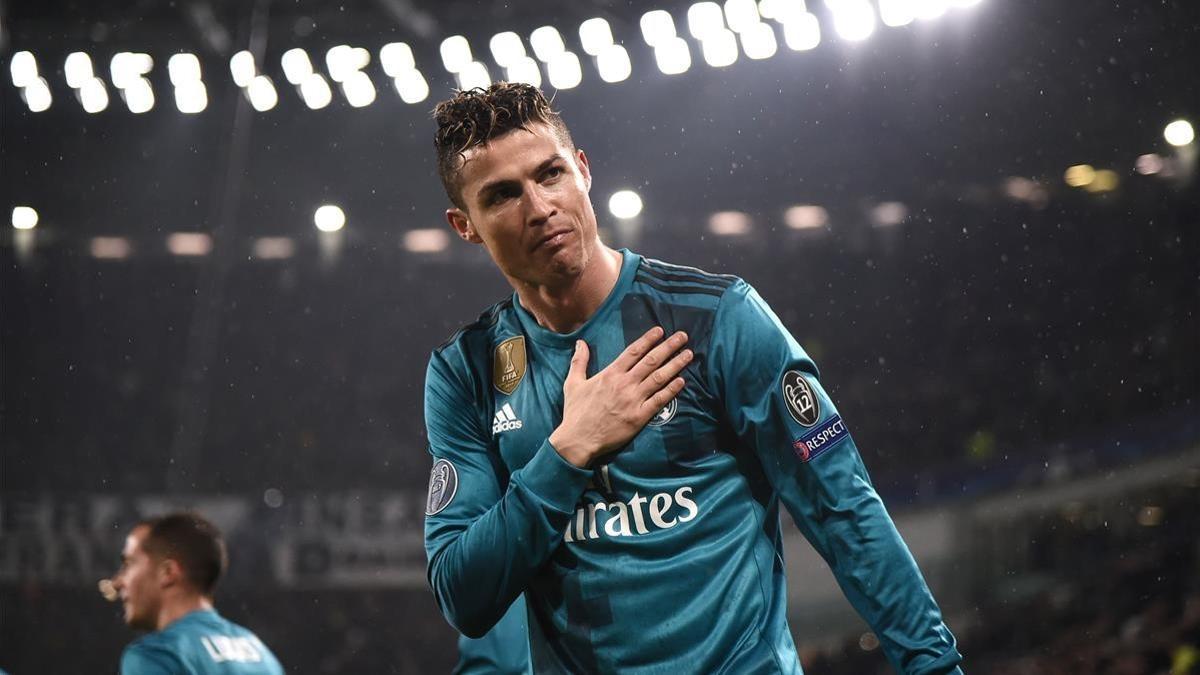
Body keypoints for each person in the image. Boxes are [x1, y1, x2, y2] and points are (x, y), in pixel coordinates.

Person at [423, 82, 962, 674]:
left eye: (549, 174)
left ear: (582, 170)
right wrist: (567, 451)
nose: (539, 207)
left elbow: (844, 512)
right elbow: (463, 595)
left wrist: (935, 666)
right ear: (464, 225)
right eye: (502, 195)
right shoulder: (466, 371)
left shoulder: (717, 319)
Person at [110, 512, 285, 675]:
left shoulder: (158, 655)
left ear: (168, 572)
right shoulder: (261, 654)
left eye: (129, 564)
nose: (118, 582)